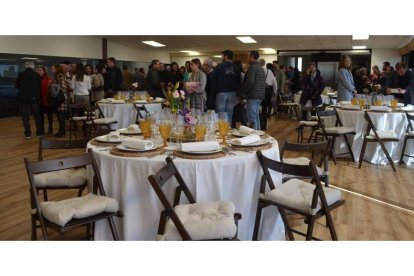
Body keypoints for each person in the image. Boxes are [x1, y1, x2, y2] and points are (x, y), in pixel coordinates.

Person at [15, 61, 43, 139]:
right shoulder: (36, 75)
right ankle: (39, 133)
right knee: (37, 115)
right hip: (34, 98)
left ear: (25, 66)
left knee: (25, 116)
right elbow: (39, 86)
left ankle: (28, 134)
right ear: (33, 67)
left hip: (23, 98)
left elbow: (17, 85)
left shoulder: (21, 74)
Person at [213, 50, 241, 124]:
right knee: (229, 114)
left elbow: (212, 78)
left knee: (220, 115)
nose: (222, 58)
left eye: (222, 56)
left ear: (225, 56)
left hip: (221, 92)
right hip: (233, 93)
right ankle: (228, 132)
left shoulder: (219, 66)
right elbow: (239, 82)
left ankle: (220, 133)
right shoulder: (236, 67)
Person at [240, 50, 265, 130]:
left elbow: (250, 81)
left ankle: (254, 137)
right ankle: (258, 135)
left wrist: (244, 93)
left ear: (252, 57)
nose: (247, 58)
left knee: (252, 117)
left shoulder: (252, 67)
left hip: (253, 95)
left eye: (248, 56)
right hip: (260, 95)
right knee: (256, 116)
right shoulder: (261, 68)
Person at [259, 60, 277, 130]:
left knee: (258, 107)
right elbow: (274, 82)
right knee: (265, 107)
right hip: (268, 90)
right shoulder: (269, 71)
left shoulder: (258, 70)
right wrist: (275, 91)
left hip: (260, 89)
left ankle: (259, 123)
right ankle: (264, 124)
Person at [36, 65, 53, 134]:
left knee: (49, 115)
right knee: (40, 116)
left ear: (44, 71)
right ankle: (41, 129)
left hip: (47, 100)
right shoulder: (35, 78)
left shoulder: (48, 79)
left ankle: (50, 128)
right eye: (37, 70)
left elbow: (49, 89)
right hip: (39, 100)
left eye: (40, 70)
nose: (38, 71)